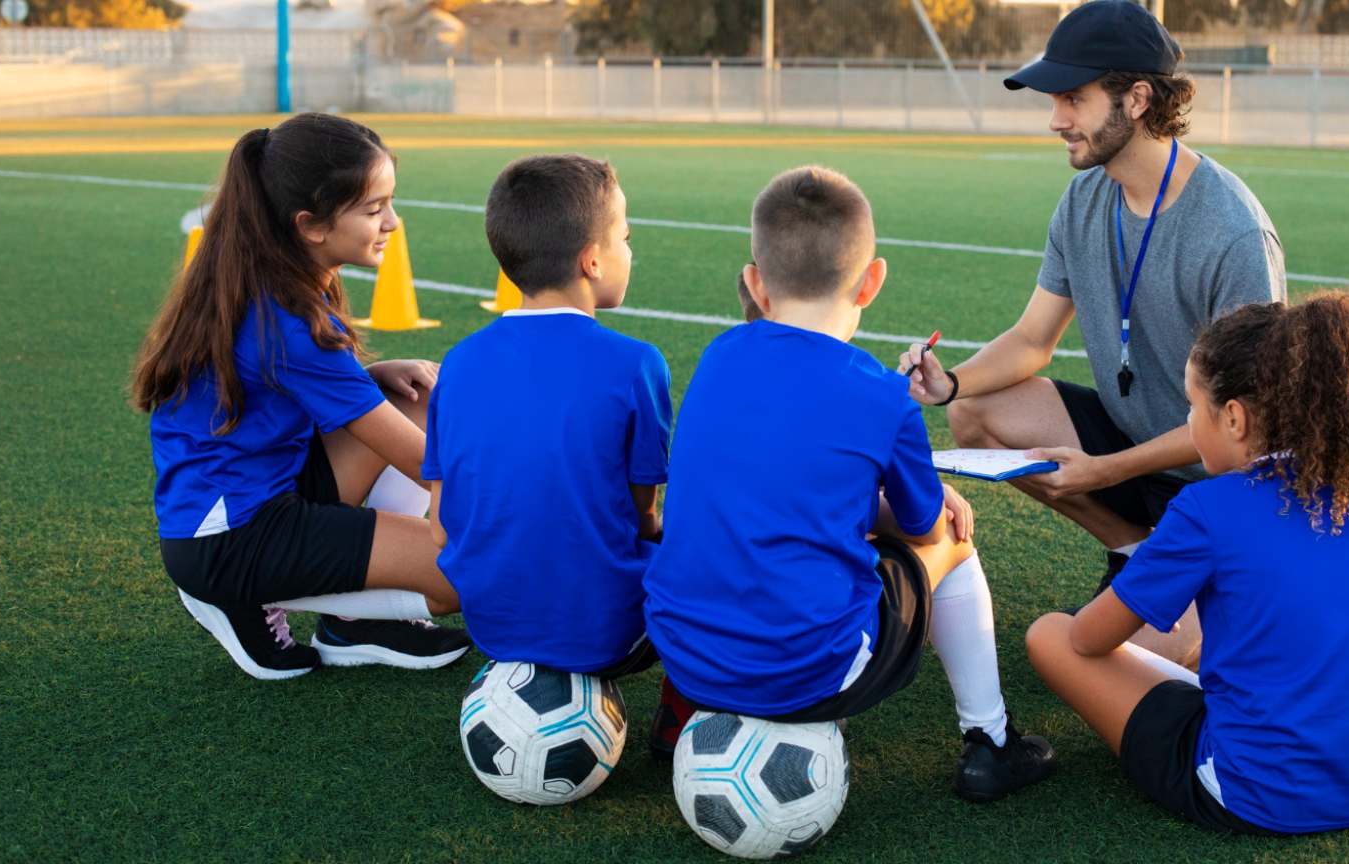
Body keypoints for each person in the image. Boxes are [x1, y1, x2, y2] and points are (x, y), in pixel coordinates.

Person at [645, 166, 1056, 802]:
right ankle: (991, 742)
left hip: (681, 649)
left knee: (742, 527)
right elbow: (923, 529)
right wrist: (914, 503)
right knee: (954, 536)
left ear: (755, 283)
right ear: (872, 281)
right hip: (805, 672)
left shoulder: (718, 356)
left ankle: (677, 715)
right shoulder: (882, 395)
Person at [899, 0, 1286, 663]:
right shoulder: (1084, 198)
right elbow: (1032, 340)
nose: (1056, 120)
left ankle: (1200, 591)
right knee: (975, 410)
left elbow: (1244, 429)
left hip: (1222, 482)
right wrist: (950, 382)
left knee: (1137, 660)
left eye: (1073, 99)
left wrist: (1104, 469)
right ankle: (1133, 549)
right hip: (1134, 446)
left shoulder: (1232, 233)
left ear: (1136, 100)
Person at [1023, 292, 1349, 834]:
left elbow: (1087, 639)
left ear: (1234, 418)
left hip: (1257, 792)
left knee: (1050, 634)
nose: (1189, 423)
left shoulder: (1208, 508)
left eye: (1192, 407)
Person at [131, 113, 469, 681]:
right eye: (374, 209)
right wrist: (536, 510)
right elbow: (426, 465)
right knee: (463, 571)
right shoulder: (287, 320)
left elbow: (289, 385)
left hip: (271, 482)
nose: (393, 221)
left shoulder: (277, 276)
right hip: (230, 540)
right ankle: (239, 597)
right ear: (311, 225)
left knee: (419, 398)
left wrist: (371, 374)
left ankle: (351, 624)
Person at [424, 154, 689, 759]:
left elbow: (440, 525)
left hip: (490, 623)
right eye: (625, 237)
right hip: (610, 633)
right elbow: (643, 516)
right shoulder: (636, 363)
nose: (630, 250)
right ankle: (685, 706)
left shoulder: (459, 362)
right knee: (716, 545)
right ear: (592, 260)